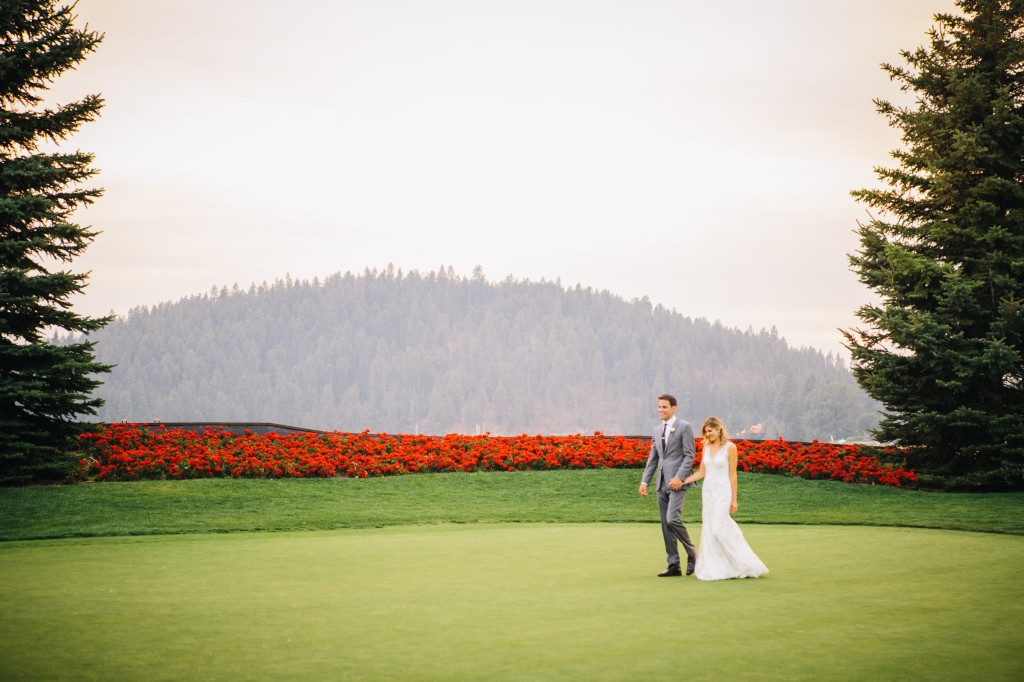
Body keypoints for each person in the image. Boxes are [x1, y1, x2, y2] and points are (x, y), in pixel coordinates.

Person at [682, 416, 768, 580]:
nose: (708, 434)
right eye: (706, 432)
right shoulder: (706, 447)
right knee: (709, 529)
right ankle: (720, 567)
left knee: (717, 529)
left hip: (723, 492)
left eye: (710, 431)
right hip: (708, 492)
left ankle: (742, 563)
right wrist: (682, 481)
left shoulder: (731, 448)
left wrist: (734, 499)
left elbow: (733, 475)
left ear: (719, 429)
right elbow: (702, 472)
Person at [639, 394, 697, 577]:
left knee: (673, 519)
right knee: (666, 525)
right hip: (661, 483)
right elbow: (653, 458)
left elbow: (689, 455)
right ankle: (673, 565)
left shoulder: (685, 427)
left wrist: (680, 478)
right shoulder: (657, 430)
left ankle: (693, 554)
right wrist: (644, 481)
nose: (661, 410)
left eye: (664, 407)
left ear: (674, 408)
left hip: (678, 484)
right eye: (659, 407)